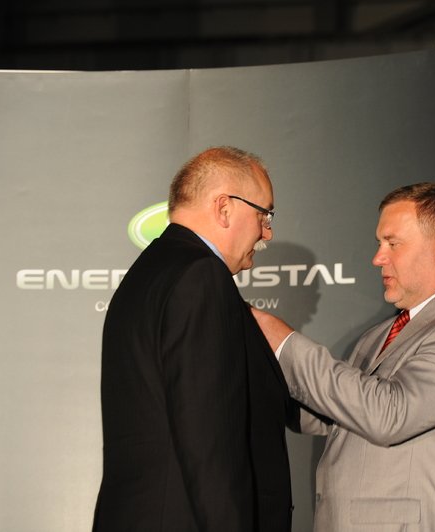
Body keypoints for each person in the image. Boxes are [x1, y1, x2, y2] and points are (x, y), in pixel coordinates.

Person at [252, 182, 435, 531]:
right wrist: (259, 383)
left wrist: (281, 340)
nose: (378, 258)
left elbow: (390, 414)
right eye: (380, 244)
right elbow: (335, 415)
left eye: (393, 243)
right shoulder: (381, 334)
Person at [93, 146, 293, 531]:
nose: (267, 232)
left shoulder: (148, 273)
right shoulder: (201, 277)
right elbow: (209, 442)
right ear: (224, 208)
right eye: (264, 214)